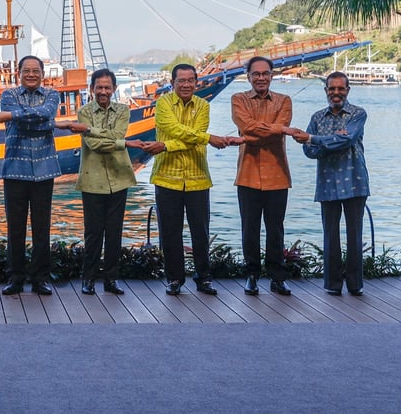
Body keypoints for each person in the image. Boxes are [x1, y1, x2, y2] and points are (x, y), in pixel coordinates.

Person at [0, 55, 86, 295]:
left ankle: (40, 278)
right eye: (27, 70)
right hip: (15, 169)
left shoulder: (52, 95)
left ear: (42, 74)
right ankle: (15, 278)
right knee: (15, 227)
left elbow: (44, 115)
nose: (31, 74)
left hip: (44, 170)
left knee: (42, 227)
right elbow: (41, 120)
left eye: (36, 70)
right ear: (19, 74)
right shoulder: (8, 95)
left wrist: (17, 117)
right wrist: (52, 123)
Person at [145, 64, 241, 296]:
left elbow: (193, 139)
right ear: (172, 82)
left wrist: (166, 145)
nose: (187, 85)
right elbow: (176, 129)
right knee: (170, 232)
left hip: (198, 178)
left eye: (191, 80)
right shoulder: (163, 103)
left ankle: (204, 278)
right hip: (167, 177)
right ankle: (174, 279)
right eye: (182, 81)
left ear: (197, 82)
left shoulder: (203, 106)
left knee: (201, 232)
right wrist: (208, 138)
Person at [231, 56, 304, 296]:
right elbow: (246, 125)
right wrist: (281, 129)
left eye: (265, 73)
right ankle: (251, 275)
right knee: (249, 229)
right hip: (248, 174)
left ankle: (277, 278)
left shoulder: (285, 101)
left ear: (272, 76)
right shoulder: (238, 99)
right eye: (256, 74)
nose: (261, 78)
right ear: (248, 76)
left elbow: (253, 131)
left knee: (275, 229)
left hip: (277, 175)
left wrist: (261, 131)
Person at [296, 72, 370, 296]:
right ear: (326, 90)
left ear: (348, 90)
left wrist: (315, 139)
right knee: (330, 236)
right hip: (327, 183)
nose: (336, 93)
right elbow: (308, 152)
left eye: (341, 88)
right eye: (332, 88)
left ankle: (356, 285)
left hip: (355, 181)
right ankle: (333, 285)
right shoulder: (317, 117)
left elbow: (347, 139)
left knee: (354, 236)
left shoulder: (358, 114)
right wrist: (330, 141)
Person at [75, 68, 143, 295]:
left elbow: (118, 135)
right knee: (93, 233)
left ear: (114, 89)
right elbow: (94, 145)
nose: (103, 91)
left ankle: (111, 279)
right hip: (92, 180)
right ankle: (89, 278)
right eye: (99, 87)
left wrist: (93, 131)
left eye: (107, 87)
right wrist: (123, 143)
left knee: (115, 232)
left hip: (118, 178)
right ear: (91, 88)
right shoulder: (83, 111)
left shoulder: (123, 110)